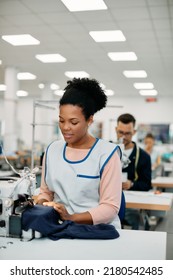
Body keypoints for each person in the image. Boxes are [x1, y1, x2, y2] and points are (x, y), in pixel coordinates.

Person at [36, 77, 122, 229]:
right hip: (58, 226)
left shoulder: (106, 154)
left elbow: (110, 208)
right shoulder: (52, 150)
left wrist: (71, 217)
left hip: (96, 230)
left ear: (89, 120)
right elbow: (45, 192)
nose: (65, 127)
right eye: (61, 121)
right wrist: (42, 203)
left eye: (73, 122)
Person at [115, 113, 152, 230]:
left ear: (134, 132)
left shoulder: (143, 156)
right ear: (116, 130)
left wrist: (131, 184)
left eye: (128, 133)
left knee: (136, 218)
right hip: (109, 200)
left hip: (132, 204)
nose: (124, 137)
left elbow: (146, 184)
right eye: (120, 132)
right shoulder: (106, 152)